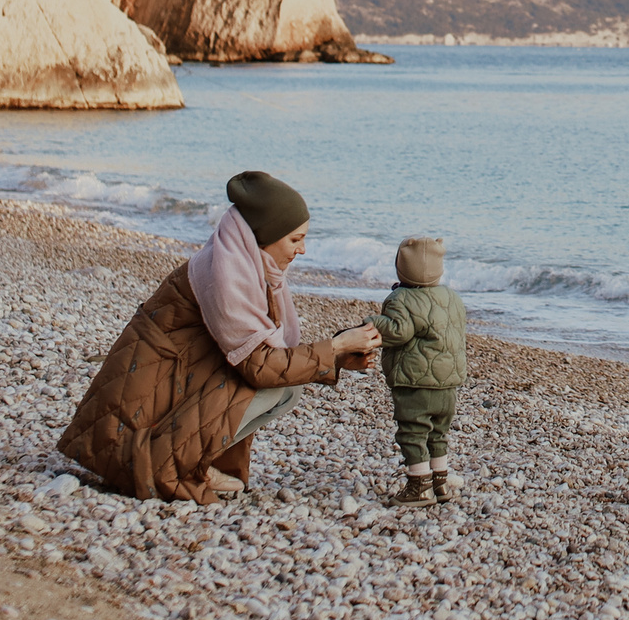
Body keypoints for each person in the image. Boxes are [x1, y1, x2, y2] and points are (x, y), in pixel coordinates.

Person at [61, 171, 380, 503]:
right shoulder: (226, 277)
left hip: (168, 391)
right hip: (128, 431)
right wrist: (338, 345)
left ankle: (193, 459)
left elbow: (268, 354)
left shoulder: (244, 266)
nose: (302, 250)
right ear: (264, 236)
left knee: (289, 388)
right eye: (295, 239)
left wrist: (337, 358)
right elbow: (261, 367)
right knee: (277, 388)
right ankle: (167, 464)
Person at [373, 235, 469, 508]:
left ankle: (419, 487)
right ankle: (440, 482)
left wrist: (372, 324)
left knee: (413, 433)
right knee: (438, 432)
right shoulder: (451, 297)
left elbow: (397, 331)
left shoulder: (401, 298)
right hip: (449, 383)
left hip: (416, 382)